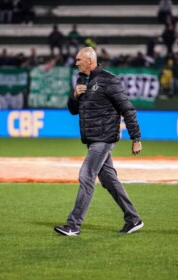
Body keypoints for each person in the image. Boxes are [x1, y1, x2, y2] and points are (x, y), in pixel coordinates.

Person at [54, 47, 143, 236]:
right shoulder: (81, 80)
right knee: (109, 180)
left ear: (90, 60)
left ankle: (73, 225)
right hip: (92, 139)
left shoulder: (109, 80)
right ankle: (133, 218)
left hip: (104, 138)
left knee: (86, 176)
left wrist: (136, 138)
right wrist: (74, 96)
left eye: (79, 60)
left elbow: (128, 110)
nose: (76, 63)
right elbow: (73, 110)